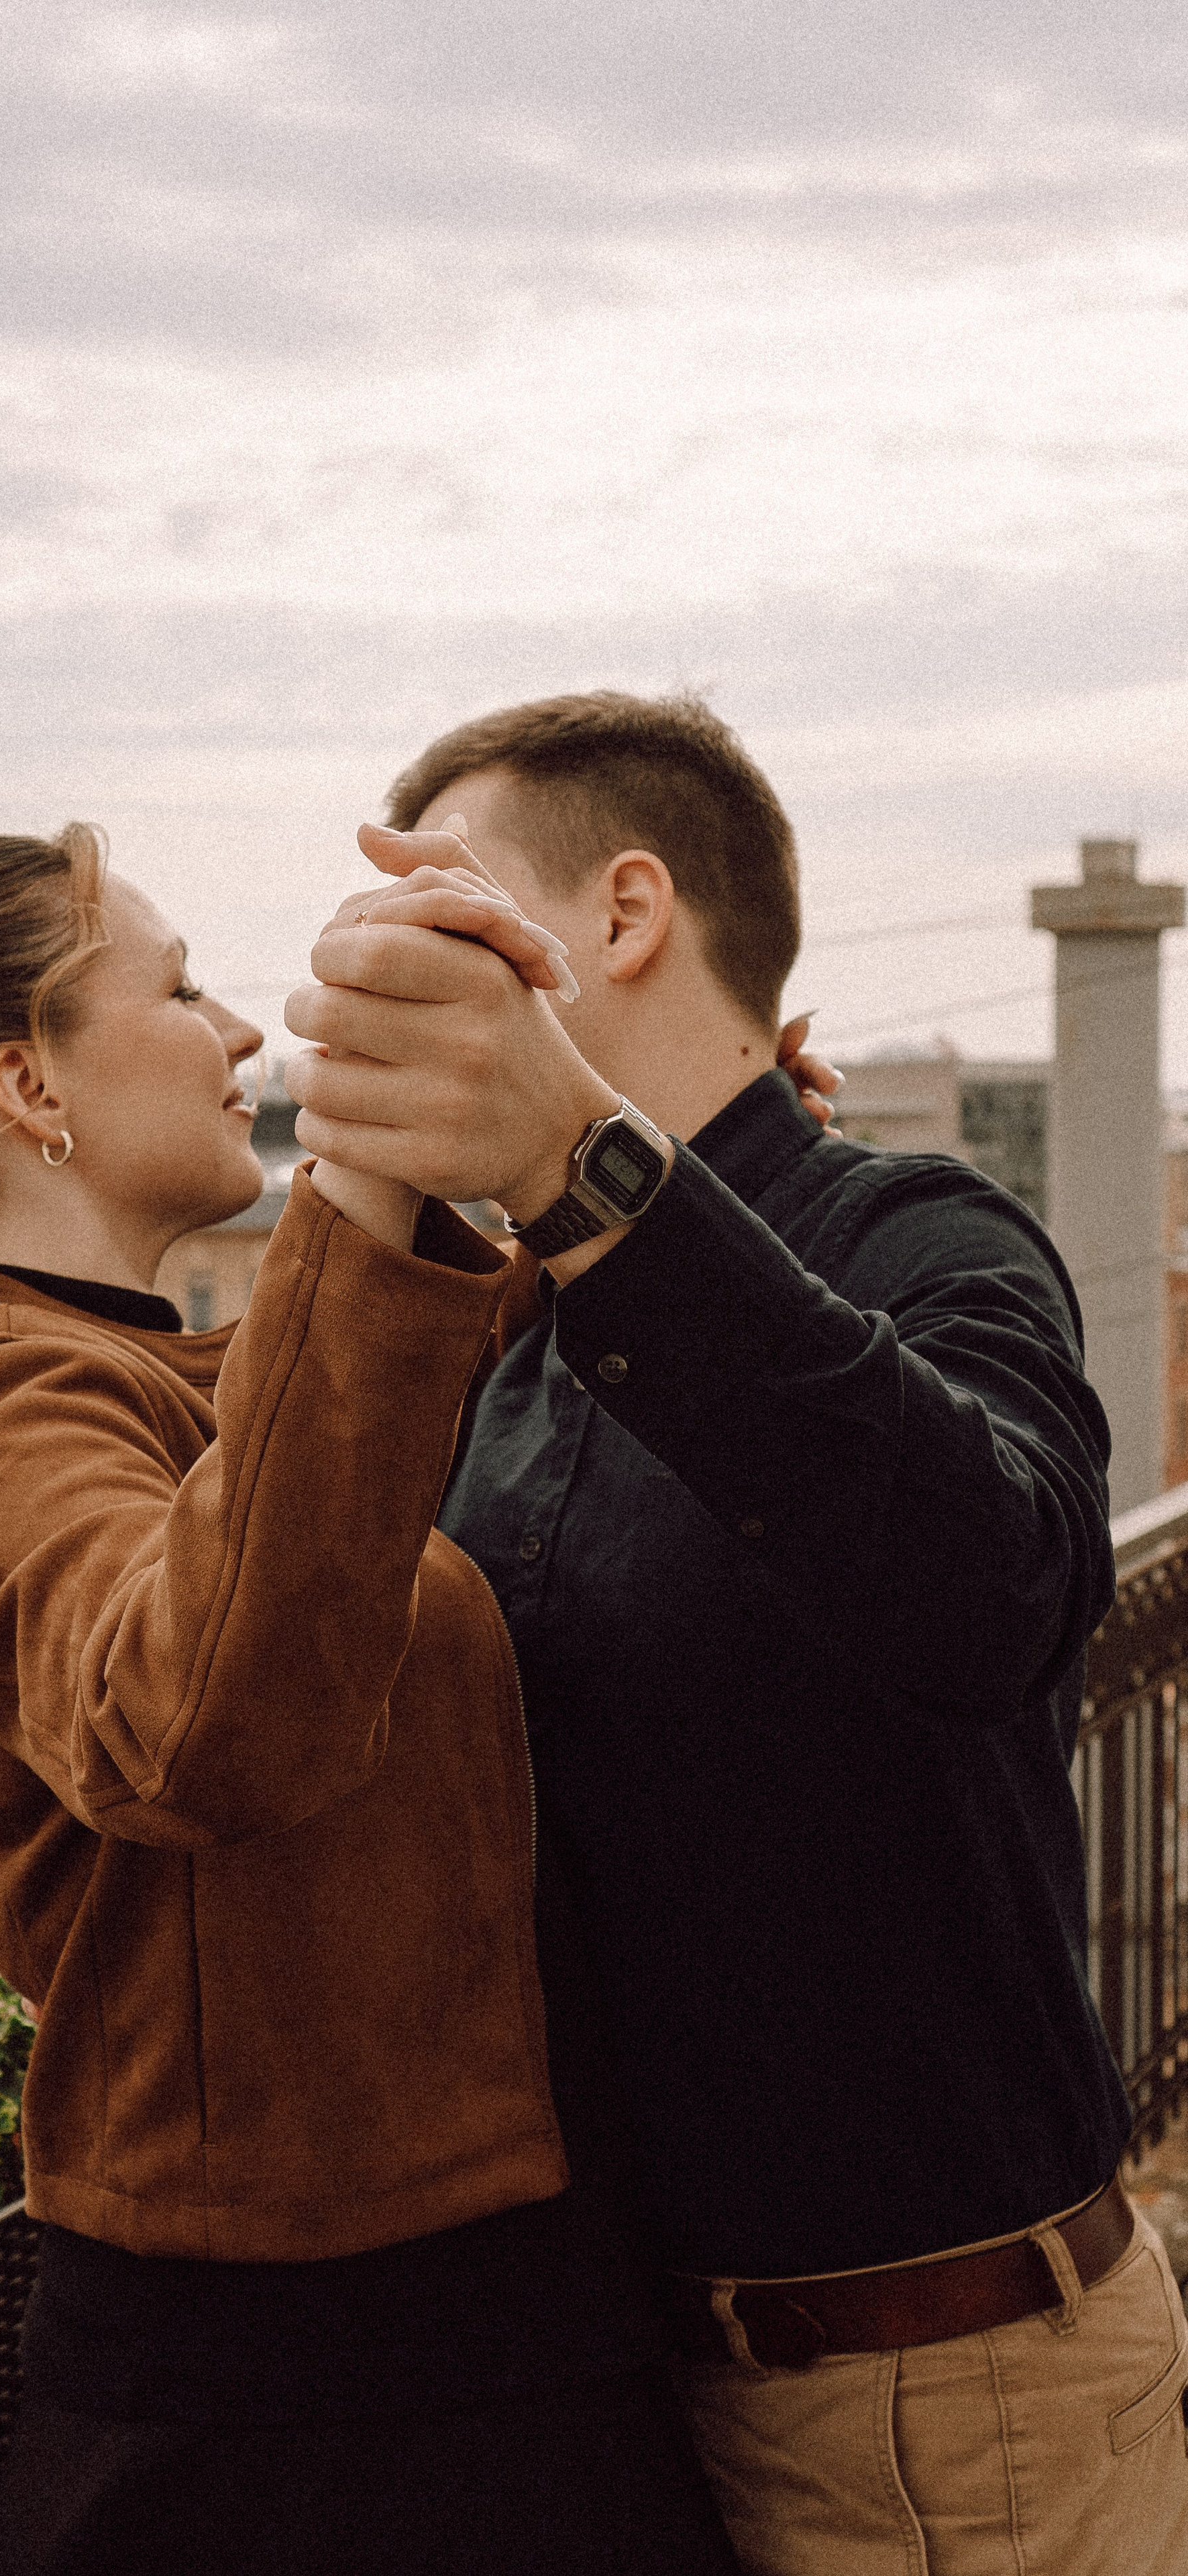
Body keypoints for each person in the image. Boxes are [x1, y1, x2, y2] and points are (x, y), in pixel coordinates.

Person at [0, 806, 741, 2576]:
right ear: (30, 1088)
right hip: (296, 2398)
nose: (246, 1031)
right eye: (180, 987)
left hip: (444, 2323)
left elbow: (315, 1497)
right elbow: (196, 1709)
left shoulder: (156, 1378)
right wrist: (365, 1178)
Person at [283, 688, 1188, 2576]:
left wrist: (590, 1181)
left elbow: (1006, 1593)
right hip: (618, 2397)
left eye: (445, 912)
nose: (380, 972)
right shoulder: (514, 1341)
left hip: (951, 2417)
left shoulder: (923, 1238)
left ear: (622, 919)